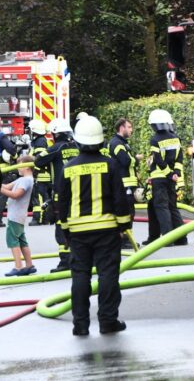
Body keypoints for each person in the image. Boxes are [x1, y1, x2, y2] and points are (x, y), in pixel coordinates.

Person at [59, 115, 132, 336]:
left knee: (80, 276)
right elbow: (120, 198)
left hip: (78, 232)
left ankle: (80, 325)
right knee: (107, 275)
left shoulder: (68, 168)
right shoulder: (110, 165)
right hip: (107, 230)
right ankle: (108, 321)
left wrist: (65, 230)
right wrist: (123, 226)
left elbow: (61, 203)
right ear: (100, 140)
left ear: (78, 140)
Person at [34, 117, 78, 271]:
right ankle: (81, 258)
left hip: (61, 193)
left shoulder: (56, 148)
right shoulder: (76, 147)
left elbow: (38, 161)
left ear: (56, 134)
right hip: (78, 191)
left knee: (61, 227)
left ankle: (65, 262)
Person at [146, 109, 183, 241]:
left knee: (162, 207)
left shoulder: (155, 139)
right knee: (173, 207)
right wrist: (175, 173)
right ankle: (181, 238)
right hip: (172, 179)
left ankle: (167, 238)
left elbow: (158, 159)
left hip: (159, 178)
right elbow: (179, 158)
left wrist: (168, 173)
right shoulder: (175, 138)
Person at [1, 154, 37, 276]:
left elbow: (16, 195)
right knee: (22, 241)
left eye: (19, 165)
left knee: (13, 241)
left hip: (15, 215)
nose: (17, 167)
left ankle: (18, 267)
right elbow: (7, 186)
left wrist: (0, 190)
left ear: (27, 166)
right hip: (18, 215)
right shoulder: (23, 179)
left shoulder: (26, 180)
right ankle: (29, 265)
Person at [108, 118, 138, 249]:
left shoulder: (122, 143)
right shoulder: (117, 144)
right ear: (121, 128)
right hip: (123, 184)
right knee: (127, 212)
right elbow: (125, 161)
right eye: (129, 127)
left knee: (129, 212)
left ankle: (126, 239)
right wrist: (136, 159)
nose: (131, 130)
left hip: (126, 184)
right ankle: (124, 240)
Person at [28, 119, 52, 225]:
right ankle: (46, 218)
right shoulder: (40, 140)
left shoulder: (40, 141)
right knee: (44, 197)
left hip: (41, 175)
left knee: (38, 198)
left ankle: (38, 219)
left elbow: (39, 159)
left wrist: (35, 172)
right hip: (43, 174)